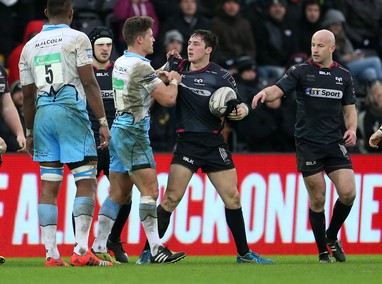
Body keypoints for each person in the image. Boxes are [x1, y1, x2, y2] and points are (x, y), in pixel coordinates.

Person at [136, 29, 274, 265]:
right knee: (170, 199)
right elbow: (156, 81)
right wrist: (166, 69)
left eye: (196, 44)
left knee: (233, 198)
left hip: (213, 143)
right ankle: (148, 252)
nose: (190, 47)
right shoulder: (177, 68)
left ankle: (244, 254)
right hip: (187, 143)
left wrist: (242, 110)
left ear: (208, 49)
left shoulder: (221, 76)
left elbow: (236, 103)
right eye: (189, 43)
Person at [19, 0, 112, 267]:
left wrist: (29, 131)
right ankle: (82, 250)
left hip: (43, 114)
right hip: (70, 110)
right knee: (86, 180)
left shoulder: (29, 46)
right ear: (71, 13)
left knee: (49, 185)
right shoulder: (77, 38)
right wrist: (103, 121)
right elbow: (88, 81)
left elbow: (26, 94)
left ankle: (51, 255)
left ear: (46, 12)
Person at [252, 29, 357, 263]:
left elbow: (349, 110)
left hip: (334, 142)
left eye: (320, 45)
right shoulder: (300, 71)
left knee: (349, 193)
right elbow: (277, 89)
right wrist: (264, 93)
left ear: (332, 47)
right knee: (318, 198)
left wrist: (352, 129)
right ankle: (322, 252)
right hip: (308, 143)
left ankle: (331, 235)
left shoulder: (344, 75)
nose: (315, 49)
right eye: (313, 45)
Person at [90, 16, 186, 264]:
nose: (154, 39)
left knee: (118, 193)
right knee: (150, 191)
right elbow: (167, 99)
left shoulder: (122, 61)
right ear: (140, 39)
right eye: (151, 35)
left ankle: (98, 244)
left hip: (119, 129)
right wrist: (174, 78)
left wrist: (166, 68)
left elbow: (145, 79)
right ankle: (156, 248)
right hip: (134, 132)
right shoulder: (140, 67)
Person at [86, 26, 131, 263]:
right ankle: (82, 246)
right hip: (91, 143)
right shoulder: (83, 72)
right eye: (100, 44)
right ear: (92, 46)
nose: (105, 49)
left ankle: (114, 238)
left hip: (118, 143)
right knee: (85, 194)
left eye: (109, 44)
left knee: (125, 194)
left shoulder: (121, 70)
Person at [0, 72, 26, 154]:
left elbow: (7, 107)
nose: (21, 96)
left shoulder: (1, 71)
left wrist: (20, 134)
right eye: (18, 92)